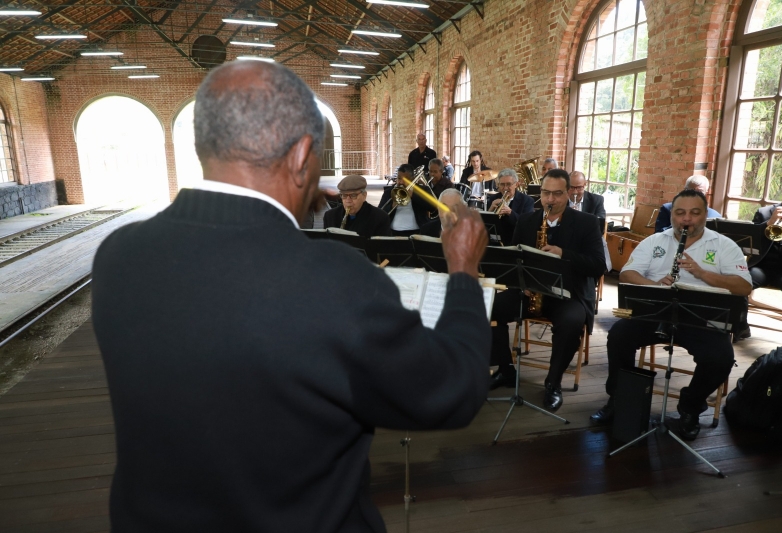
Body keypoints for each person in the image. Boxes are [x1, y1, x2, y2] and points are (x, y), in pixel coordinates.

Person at [92, 61, 492, 533]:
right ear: (303, 155)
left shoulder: (119, 255)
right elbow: (453, 390)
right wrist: (463, 268)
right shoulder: (336, 282)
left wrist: (292, 203)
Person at [591, 189, 752, 440]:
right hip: (656, 313)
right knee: (619, 336)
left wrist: (702, 274)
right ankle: (619, 398)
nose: (686, 219)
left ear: (705, 215)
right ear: (672, 216)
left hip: (702, 320)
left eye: (694, 213)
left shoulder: (724, 245)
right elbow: (627, 274)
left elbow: (744, 286)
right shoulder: (655, 241)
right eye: (680, 213)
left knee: (721, 358)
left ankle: (690, 406)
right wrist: (655, 287)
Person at [489, 169, 606, 411]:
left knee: (571, 322)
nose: (550, 200)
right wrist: (520, 280)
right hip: (531, 291)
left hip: (569, 295)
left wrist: (564, 254)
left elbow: (598, 266)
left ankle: (553, 383)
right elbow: (513, 259)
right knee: (489, 307)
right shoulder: (527, 220)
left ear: (569, 193)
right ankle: (505, 368)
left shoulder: (586, 223)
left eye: (557, 194)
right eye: (545, 193)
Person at [747, 176, 782, 334]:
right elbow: (750, 240)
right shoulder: (765, 212)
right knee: (739, 282)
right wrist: (769, 223)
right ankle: (740, 327)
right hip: (762, 267)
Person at [322, 175, 391, 237]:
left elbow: (383, 248)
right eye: (344, 195)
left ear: (364, 195)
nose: (348, 200)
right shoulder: (330, 216)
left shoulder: (380, 217)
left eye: (353, 195)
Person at [378, 163, 436, 236]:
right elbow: (380, 213)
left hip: (417, 232)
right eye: (399, 178)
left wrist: (413, 195)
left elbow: (433, 207)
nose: (401, 182)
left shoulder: (423, 190)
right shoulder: (389, 192)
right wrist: (391, 206)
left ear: (412, 179)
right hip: (394, 232)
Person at [486, 168, 536, 246]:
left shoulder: (527, 201)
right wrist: (491, 209)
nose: (505, 188)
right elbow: (486, 225)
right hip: (496, 242)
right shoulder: (493, 199)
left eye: (508, 184)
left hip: (516, 242)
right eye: (502, 184)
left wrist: (510, 212)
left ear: (516, 184)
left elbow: (527, 225)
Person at [655, 175, 722, 232]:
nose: (695, 195)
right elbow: (658, 234)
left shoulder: (715, 216)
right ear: (685, 190)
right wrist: (679, 225)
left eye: (700, 192)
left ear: (706, 192)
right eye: (691, 191)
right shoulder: (667, 208)